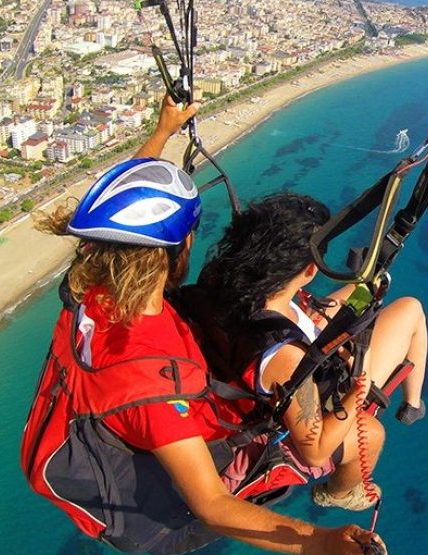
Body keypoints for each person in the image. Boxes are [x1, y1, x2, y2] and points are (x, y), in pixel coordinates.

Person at [20, 96, 385, 555]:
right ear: (179, 246)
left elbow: (121, 210)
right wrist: (321, 543)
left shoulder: (93, 289)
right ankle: (342, 492)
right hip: (171, 519)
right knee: (367, 433)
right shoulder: (149, 385)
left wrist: (162, 132)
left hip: (99, 409)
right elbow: (212, 504)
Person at [190, 192, 428, 512]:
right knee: (374, 431)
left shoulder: (220, 277)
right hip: (303, 399)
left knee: (369, 292)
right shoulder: (286, 356)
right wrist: (360, 381)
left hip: (269, 345)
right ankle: (340, 492)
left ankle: (413, 404)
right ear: (309, 270)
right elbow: (315, 450)